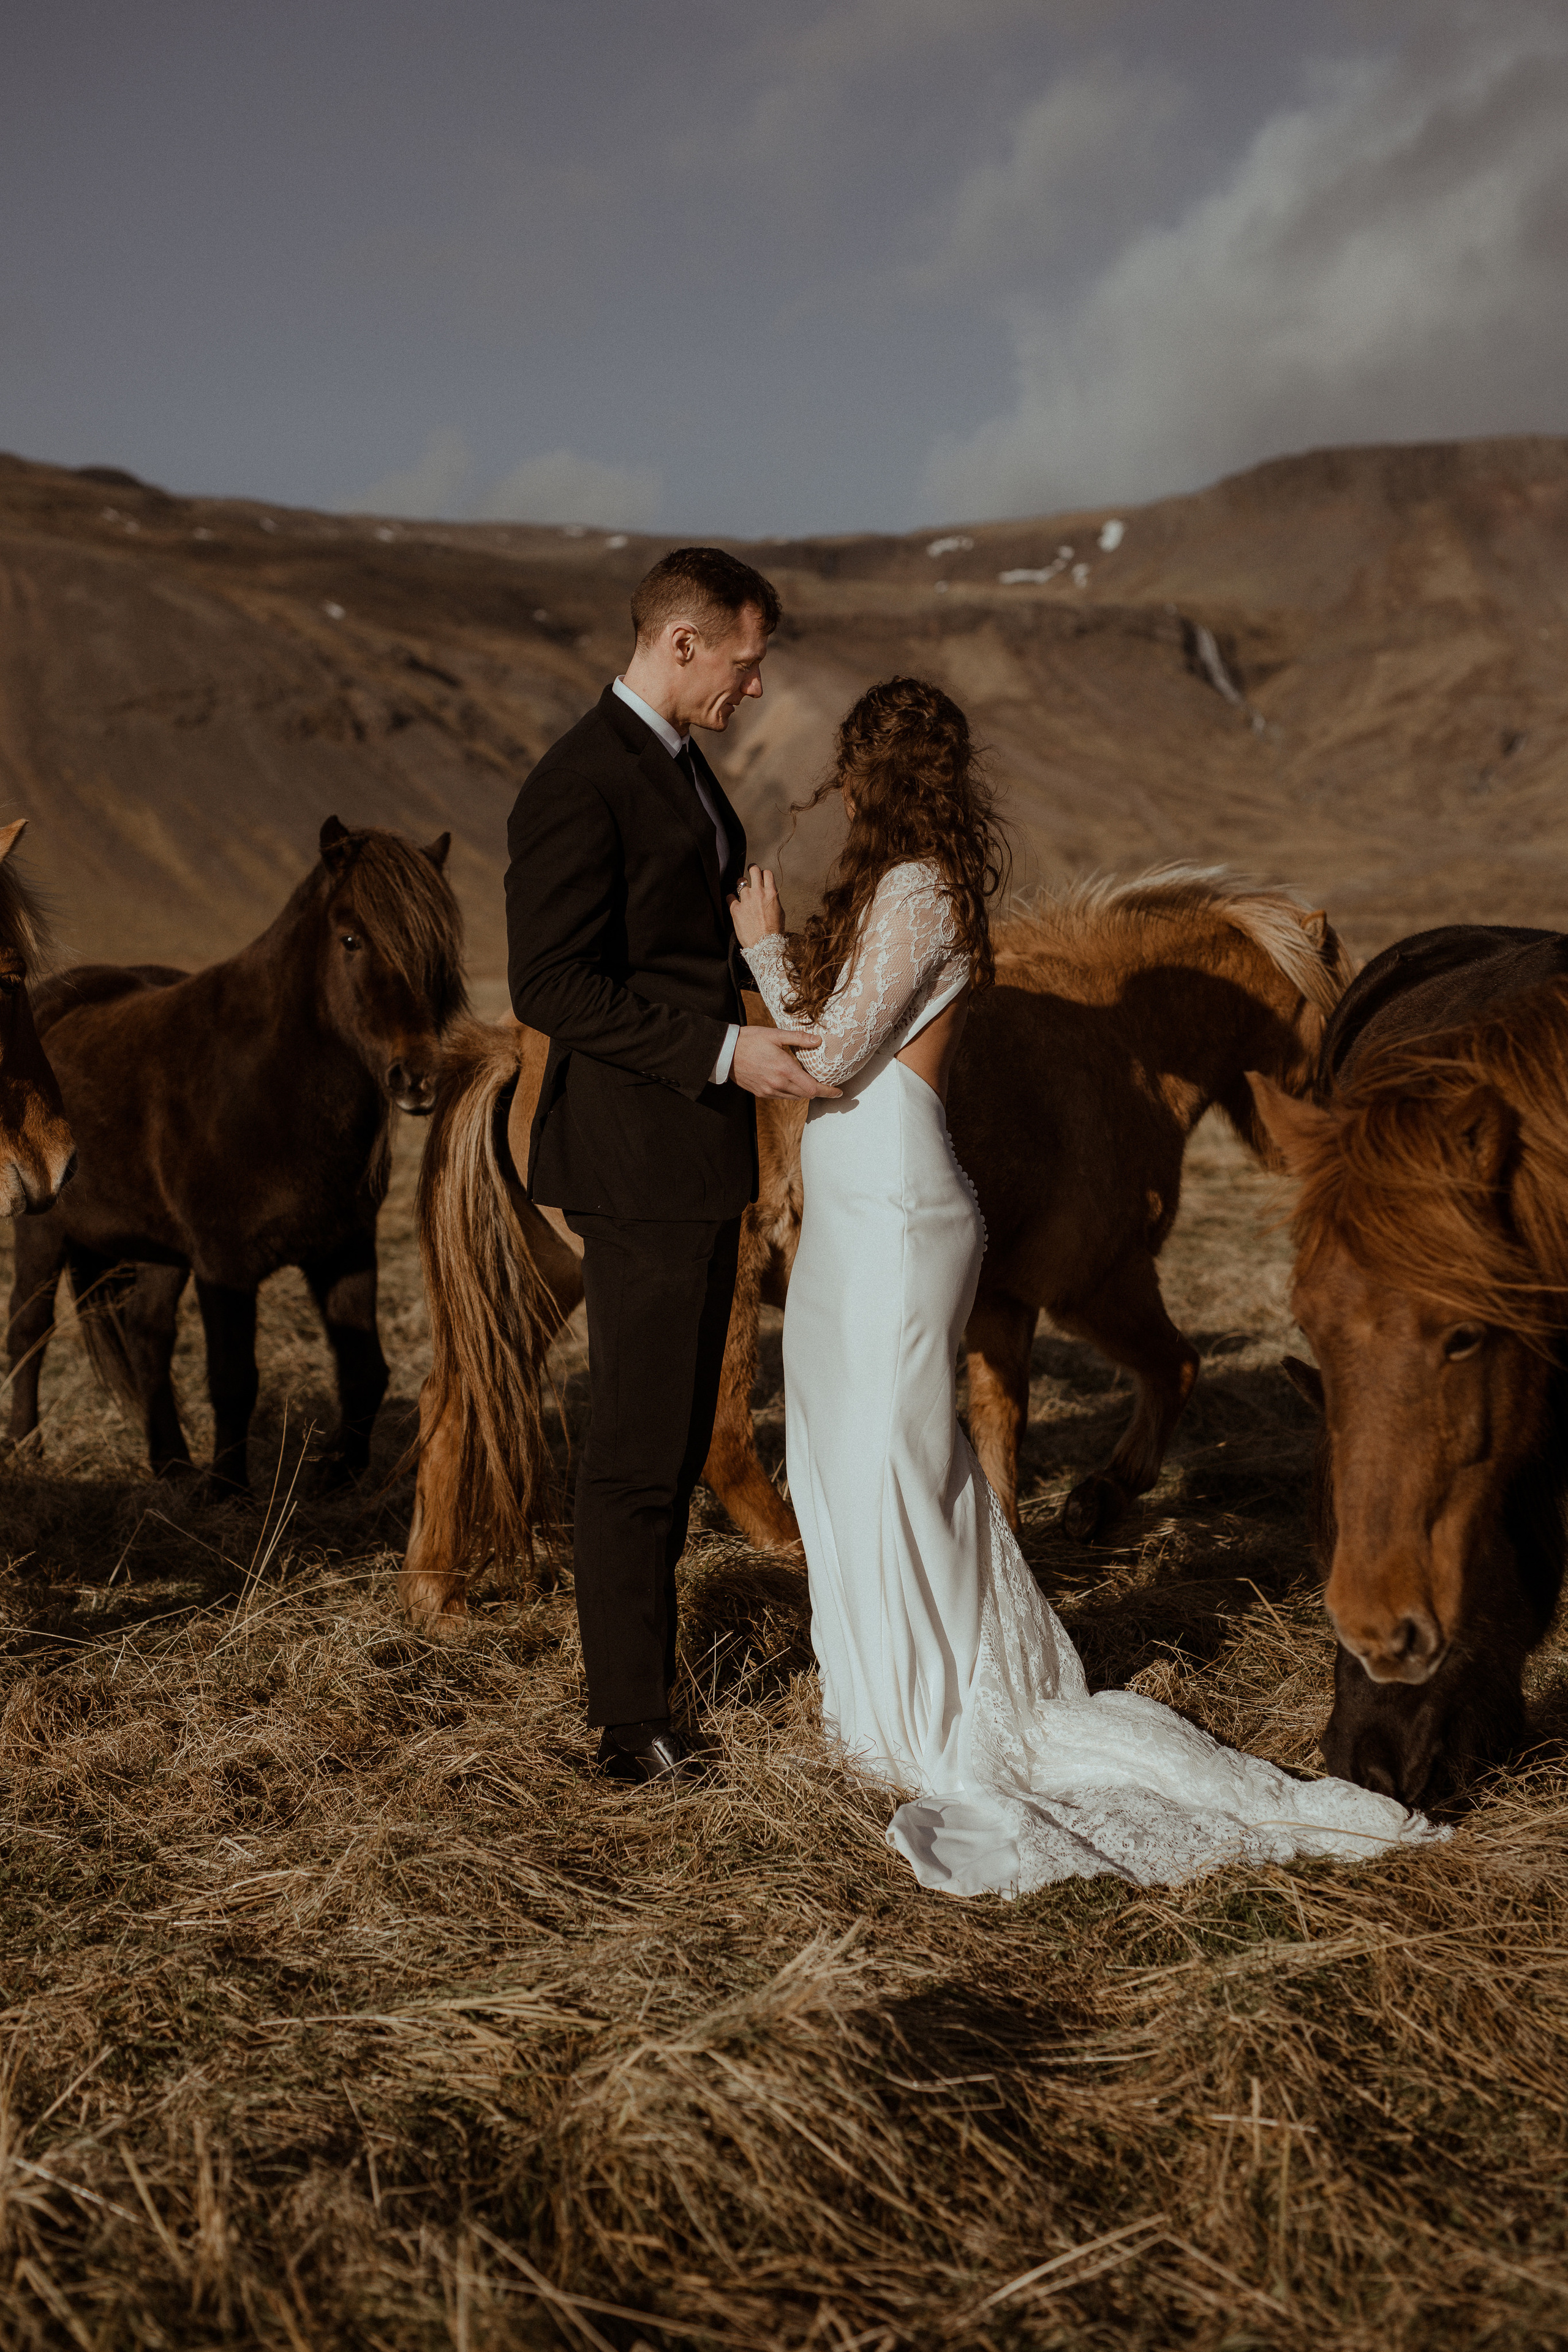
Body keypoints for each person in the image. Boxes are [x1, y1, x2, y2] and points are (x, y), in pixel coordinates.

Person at [731, 675, 1439, 1893]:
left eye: (850, 768)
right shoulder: (900, 893)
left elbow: (835, 1058)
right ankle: (882, 1707)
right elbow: (836, 1045)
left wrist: (756, 949)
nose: (837, 789)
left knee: (897, 1463)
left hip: (895, 1204)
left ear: (874, 776)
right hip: (857, 1206)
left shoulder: (920, 889)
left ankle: (938, 1716)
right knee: (849, 1457)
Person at [506, 547, 837, 1787]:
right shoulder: (576, 783)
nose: (754, 689)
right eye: (745, 664)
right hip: (635, 1156)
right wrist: (718, 1049)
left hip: (700, 1154)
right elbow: (548, 983)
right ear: (683, 643)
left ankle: (643, 1690)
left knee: (684, 1433)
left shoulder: (686, 769)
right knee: (636, 1450)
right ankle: (627, 1725)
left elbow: (683, 952)